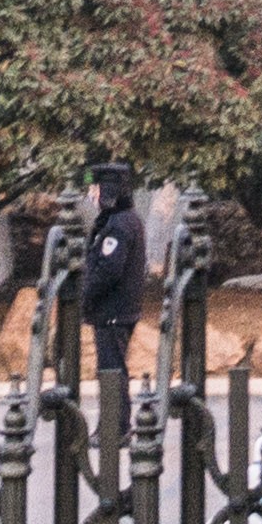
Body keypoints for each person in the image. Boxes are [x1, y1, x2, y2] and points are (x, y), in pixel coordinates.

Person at [78, 162, 148, 400]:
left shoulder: (119, 224)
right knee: (111, 370)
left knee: (111, 372)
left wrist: (86, 295)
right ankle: (113, 427)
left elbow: (108, 269)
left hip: (114, 311)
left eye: (95, 189)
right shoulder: (118, 220)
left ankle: (115, 429)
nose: (91, 195)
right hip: (114, 311)